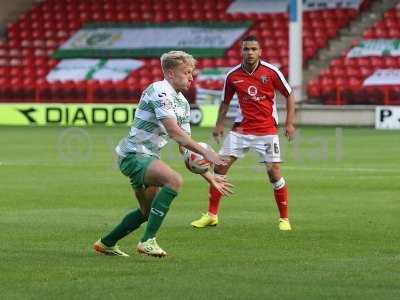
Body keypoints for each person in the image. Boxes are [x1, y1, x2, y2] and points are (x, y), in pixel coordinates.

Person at [94, 50, 232, 258]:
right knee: (173, 180)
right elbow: (175, 133)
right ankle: (147, 241)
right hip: (134, 154)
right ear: (169, 73)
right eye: (186, 72)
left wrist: (209, 176)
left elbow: (185, 147)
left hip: (148, 157)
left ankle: (106, 243)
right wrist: (208, 153)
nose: (191, 77)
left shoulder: (183, 103)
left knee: (146, 212)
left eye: (191, 72)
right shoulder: (159, 91)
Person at [191, 35, 296, 231]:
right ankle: (212, 215)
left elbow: (289, 95)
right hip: (240, 130)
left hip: (266, 130)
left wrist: (289, 123)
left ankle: (284, 219)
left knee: (274, 174)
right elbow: (225, 101)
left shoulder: (271, 72)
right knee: (220, 169)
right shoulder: (232, 76)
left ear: (260, 51)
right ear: (241, 51)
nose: (250, 52)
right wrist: (219, 125)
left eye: (253, 49)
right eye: (246, 49)